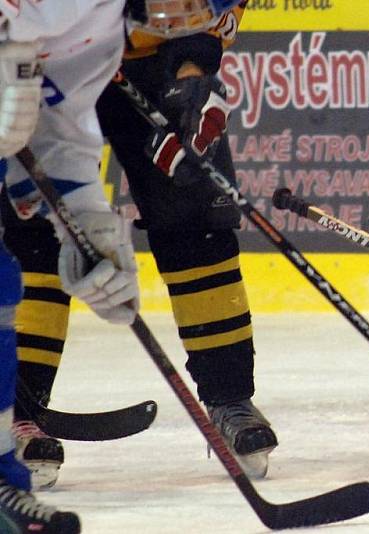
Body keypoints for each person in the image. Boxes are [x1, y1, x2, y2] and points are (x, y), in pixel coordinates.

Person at [0, 0, 276, 490]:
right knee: (27, 239)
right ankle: (18, 408)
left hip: (112, 56)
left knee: (193, 207)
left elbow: (60, 127)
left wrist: (193, 72)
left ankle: (229, 395)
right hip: (27, 55)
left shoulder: (99, 24)